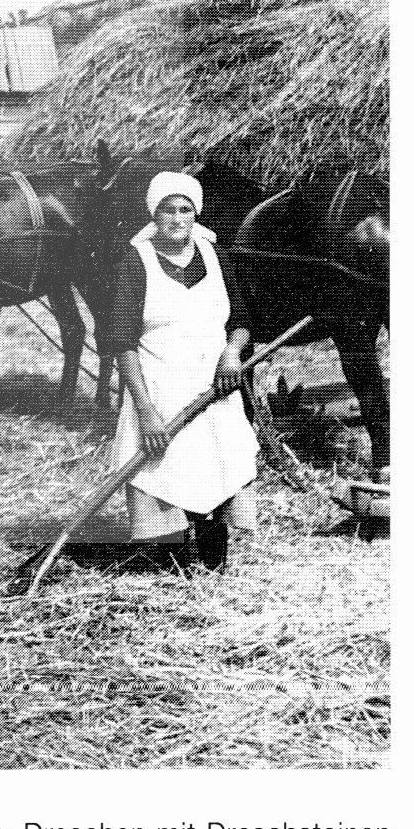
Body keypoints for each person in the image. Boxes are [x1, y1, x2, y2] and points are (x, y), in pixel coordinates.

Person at [109, 171, 256, 574]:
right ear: (153, 216)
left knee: (219, 467)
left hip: (215, 390)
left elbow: (241, 320)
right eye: (167, 210)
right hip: (160, 388)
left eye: (185, 209)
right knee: (166, 475)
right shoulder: (133, 261)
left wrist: (231, 353)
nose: (176, 218)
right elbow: (122, 343)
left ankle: (213, 564)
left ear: (196, 214)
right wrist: (146, 411)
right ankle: (172, 566)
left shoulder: (215, 256)